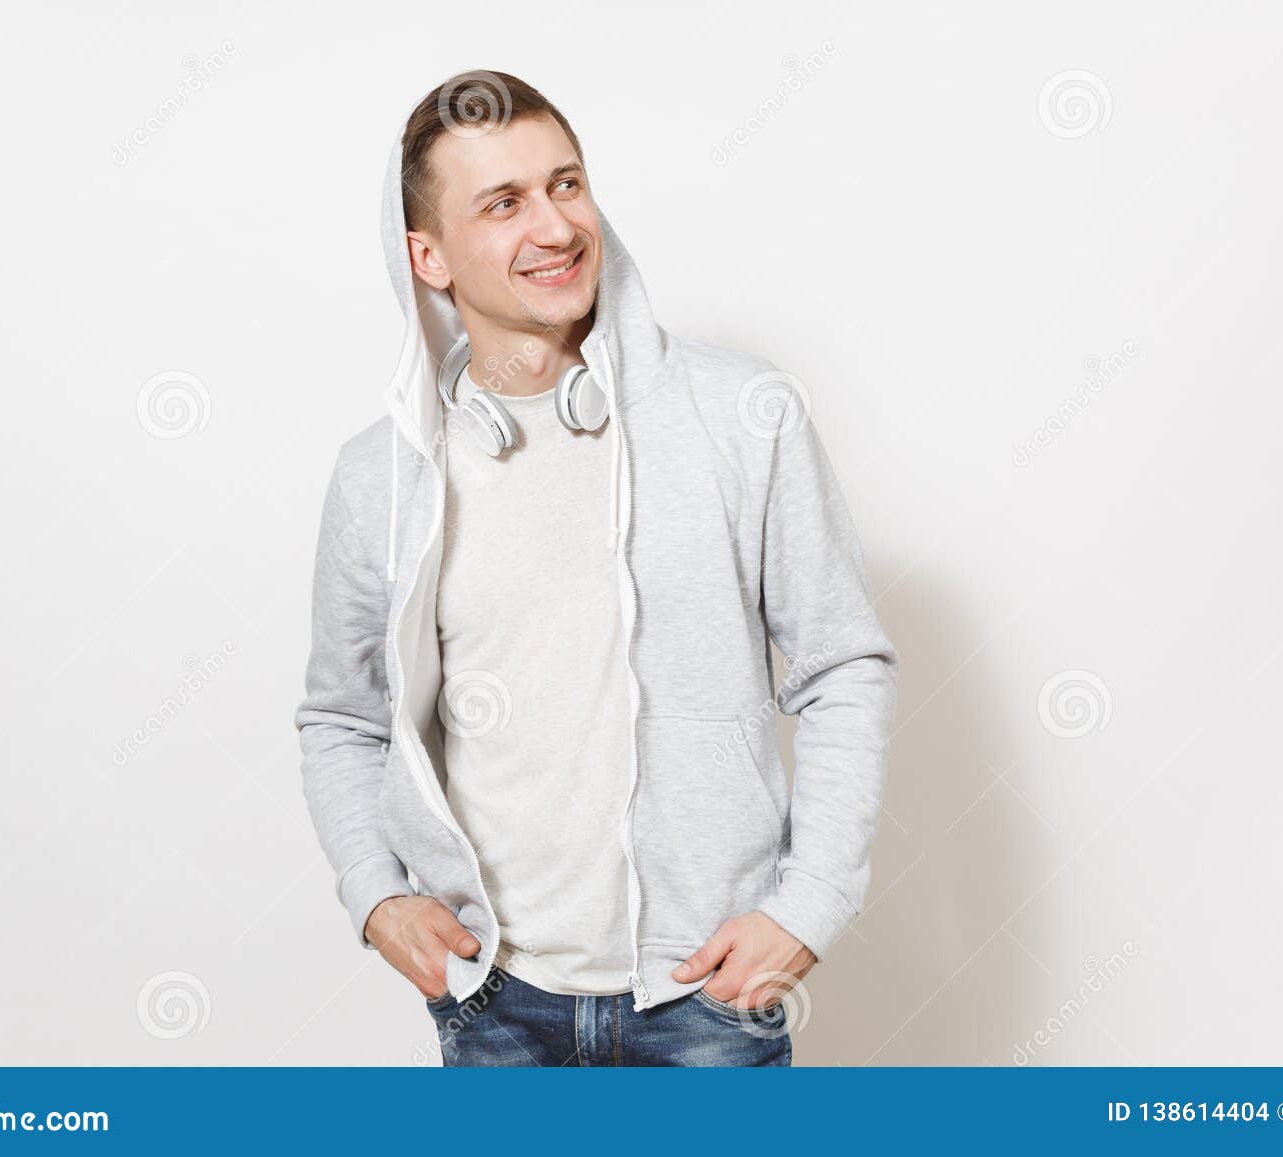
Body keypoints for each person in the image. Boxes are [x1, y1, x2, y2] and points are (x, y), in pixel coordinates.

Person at [294, 70, 898, 1066]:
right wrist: (376, 895)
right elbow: (343, 716)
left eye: (565, 184)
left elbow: (842, 665)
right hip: (492, 1004)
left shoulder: (743, 416)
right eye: (504, 202)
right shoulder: (381, 477)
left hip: (708, 999)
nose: (556, 226)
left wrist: (811, 903)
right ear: (428, 256)